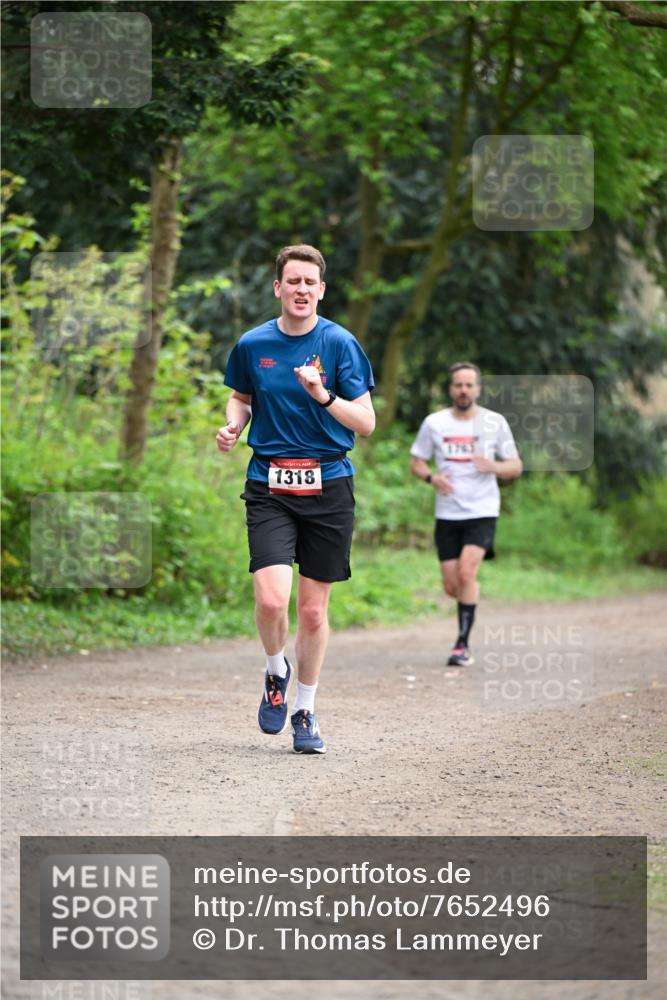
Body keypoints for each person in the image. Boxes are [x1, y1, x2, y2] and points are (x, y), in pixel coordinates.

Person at [216, 245, 375, 754]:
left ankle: (305, 711)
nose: (302, 289)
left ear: (321, 290)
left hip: (328, 485)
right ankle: (274, 671)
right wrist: (233, 426)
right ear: (278, 287)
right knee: (269, 599)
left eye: (311, 282)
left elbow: (366, 423)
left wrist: (323, 395)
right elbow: (240, 396)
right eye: (293, 281)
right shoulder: (252, 344)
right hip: (269, 485)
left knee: (311, 613)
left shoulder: (340, 344)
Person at [409, 362, 522, 667]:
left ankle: (462, 645)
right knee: (452, 585)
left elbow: (515, 465)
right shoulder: (435, 423)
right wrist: (432, 478)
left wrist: (494, 467)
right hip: (447, 513)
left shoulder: (494, 422)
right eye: (458, 385)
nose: (463, 390)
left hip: (483, 510)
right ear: (451, 389)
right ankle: (469, 596)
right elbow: (416, 462)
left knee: (467, 572)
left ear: (478, 389)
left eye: (469, 385)